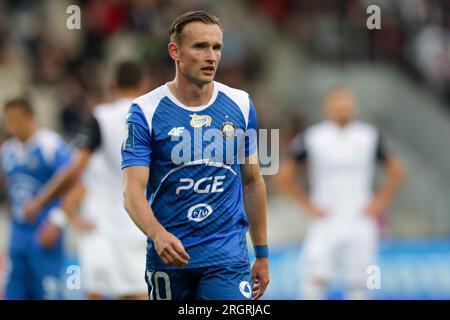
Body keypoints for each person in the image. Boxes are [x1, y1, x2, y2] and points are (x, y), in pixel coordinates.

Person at [121, 11, 269, 300]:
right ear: (175, 51)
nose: (211, 56)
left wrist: (262, 253)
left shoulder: (241, 104)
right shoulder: (145, 111)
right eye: (200, 47)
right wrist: (157, 234)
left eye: (217, 47)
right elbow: (132, 190)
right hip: (169, 256)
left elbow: (252, 181)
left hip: (226, 255)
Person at [23, 62, 148, 300]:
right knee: (137, 294)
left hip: (99, 230)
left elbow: (74, 173)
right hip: (138, 227)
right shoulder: (153, 119)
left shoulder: (100, 118)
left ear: (112, 86)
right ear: (144, 85)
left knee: (95, 294)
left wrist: (40, 202)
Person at [277, 87, 405, 300]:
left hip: (361, 219)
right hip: (326, 219)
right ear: (327, 108)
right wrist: (307, 206)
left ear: (354, 107)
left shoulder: (369, 136)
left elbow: (397, 172)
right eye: (338, 104)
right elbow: (284, 177)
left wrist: (378, 203)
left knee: (362, 283)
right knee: (313, 280)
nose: (342, 109)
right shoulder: (313, 137)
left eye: (346, 104)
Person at [0, 97, 72, 299]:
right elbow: (9, 191)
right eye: (8, 120)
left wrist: (57, 221)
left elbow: (76, 186)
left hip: (44, 233)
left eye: (16, 120)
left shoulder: (51, 146)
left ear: (31, 118)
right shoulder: (7, 151)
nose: (12, 126)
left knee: (48, 293)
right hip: (17, 237)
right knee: (14, 293)